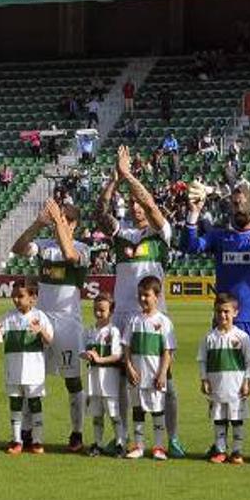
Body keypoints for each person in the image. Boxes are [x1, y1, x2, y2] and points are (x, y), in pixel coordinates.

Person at [183, 176, 250, 462]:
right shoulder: (220, 236)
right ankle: (220, 445)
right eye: (235, 200)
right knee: (220, 385)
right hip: (223, 324)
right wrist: (193, 212)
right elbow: (189, 247)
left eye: (245, 200)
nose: (238, 203)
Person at [97, 145, 185, 456]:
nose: (137, 208)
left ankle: (170, 438)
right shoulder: (122, 236)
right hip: (123, 317)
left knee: (167, 382)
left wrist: (129, 175)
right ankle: (123, 437)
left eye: (140, 204)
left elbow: (149, 201)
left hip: (155, 317)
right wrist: (114, 179)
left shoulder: (162, 234)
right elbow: (101, 213)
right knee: (121, 382)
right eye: (132, 204)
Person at [11, 198, 89, 451]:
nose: (58, 225)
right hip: (41, 320)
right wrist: (38, 223)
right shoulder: (44, 247)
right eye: (57, 220)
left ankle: (77, 432)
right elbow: (18, 247)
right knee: (30, 378)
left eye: (64, 221)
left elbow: (69, 255)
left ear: (74, 225)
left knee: (72, 381)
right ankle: (27, 432)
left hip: (68, 324)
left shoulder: (83, 248)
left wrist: (57, 220)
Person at [0, 279, 54, 455]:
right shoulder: (8, 317)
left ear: (33, 298)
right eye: (14, 296)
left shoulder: (40, 317)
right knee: (15, 404)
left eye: (20, 296)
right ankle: (16, 440)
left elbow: (50, 340)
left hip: (34, 371)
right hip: (13, 369)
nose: (16, 300)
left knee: (35, 404)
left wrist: (40, 331)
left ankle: (37, 440)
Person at [197, 293, 250, 465]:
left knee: (237, 420)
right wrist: (204, 380)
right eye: (219, 311)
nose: (223, 315)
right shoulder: (209, 338)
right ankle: (221, 450)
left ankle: (237, 451)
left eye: (226, 311)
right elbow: (202, 361)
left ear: (235, 313)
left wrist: (247, 381)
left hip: (236, 388)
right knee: (219, 420)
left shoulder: (242, 337)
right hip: (217, 387)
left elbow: (249, 361)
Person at [122, 276, 177, 461]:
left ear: (157, 296)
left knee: (157, 410)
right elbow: (126, 347)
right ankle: (138, 446)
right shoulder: (133, 320)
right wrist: (129, 367)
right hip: (137, 375)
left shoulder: (163, 321)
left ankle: (159, 447)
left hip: (155, 376)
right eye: (140, 295)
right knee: (137, 410)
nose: (143, 299)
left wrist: (162, 373)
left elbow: (167, 351)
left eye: (146, 295)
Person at [81, 292, 126, 457]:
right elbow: (81, 350)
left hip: (109, 379)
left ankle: (120, 443)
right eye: (96, 309)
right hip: (93, 378)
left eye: (102, 310)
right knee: (97, 414)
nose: (98, 313)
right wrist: (86, 355)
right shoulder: (89, 331)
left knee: (114, 413)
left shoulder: (113, 331)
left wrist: (99, 359)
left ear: (111, 311)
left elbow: (117, 355)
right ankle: (98, 443)